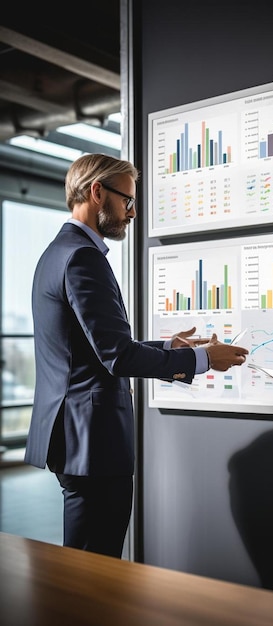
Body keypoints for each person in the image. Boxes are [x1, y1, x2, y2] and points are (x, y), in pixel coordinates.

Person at [24, 153, 248, 559]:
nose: (132, 211)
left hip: (74, 436)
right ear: (97, 192)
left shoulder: (56, 253)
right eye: (127, 200)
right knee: (95, 568)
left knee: (84, 563)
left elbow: (92, 348)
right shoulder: (83, 258)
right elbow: (117, 357)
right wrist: (203, 360)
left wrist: (168, 348)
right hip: (93, 443)